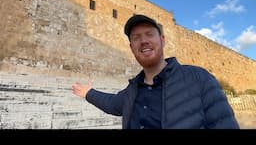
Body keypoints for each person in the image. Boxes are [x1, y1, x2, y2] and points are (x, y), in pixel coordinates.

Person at [72, 14, 240, 129]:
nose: (143, 41)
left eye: (149, 34)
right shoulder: (132, 91)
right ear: (132, 48)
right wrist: (88, 93)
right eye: (136, 38)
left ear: (162, 40)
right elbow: (112, 103)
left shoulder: (199, 79)